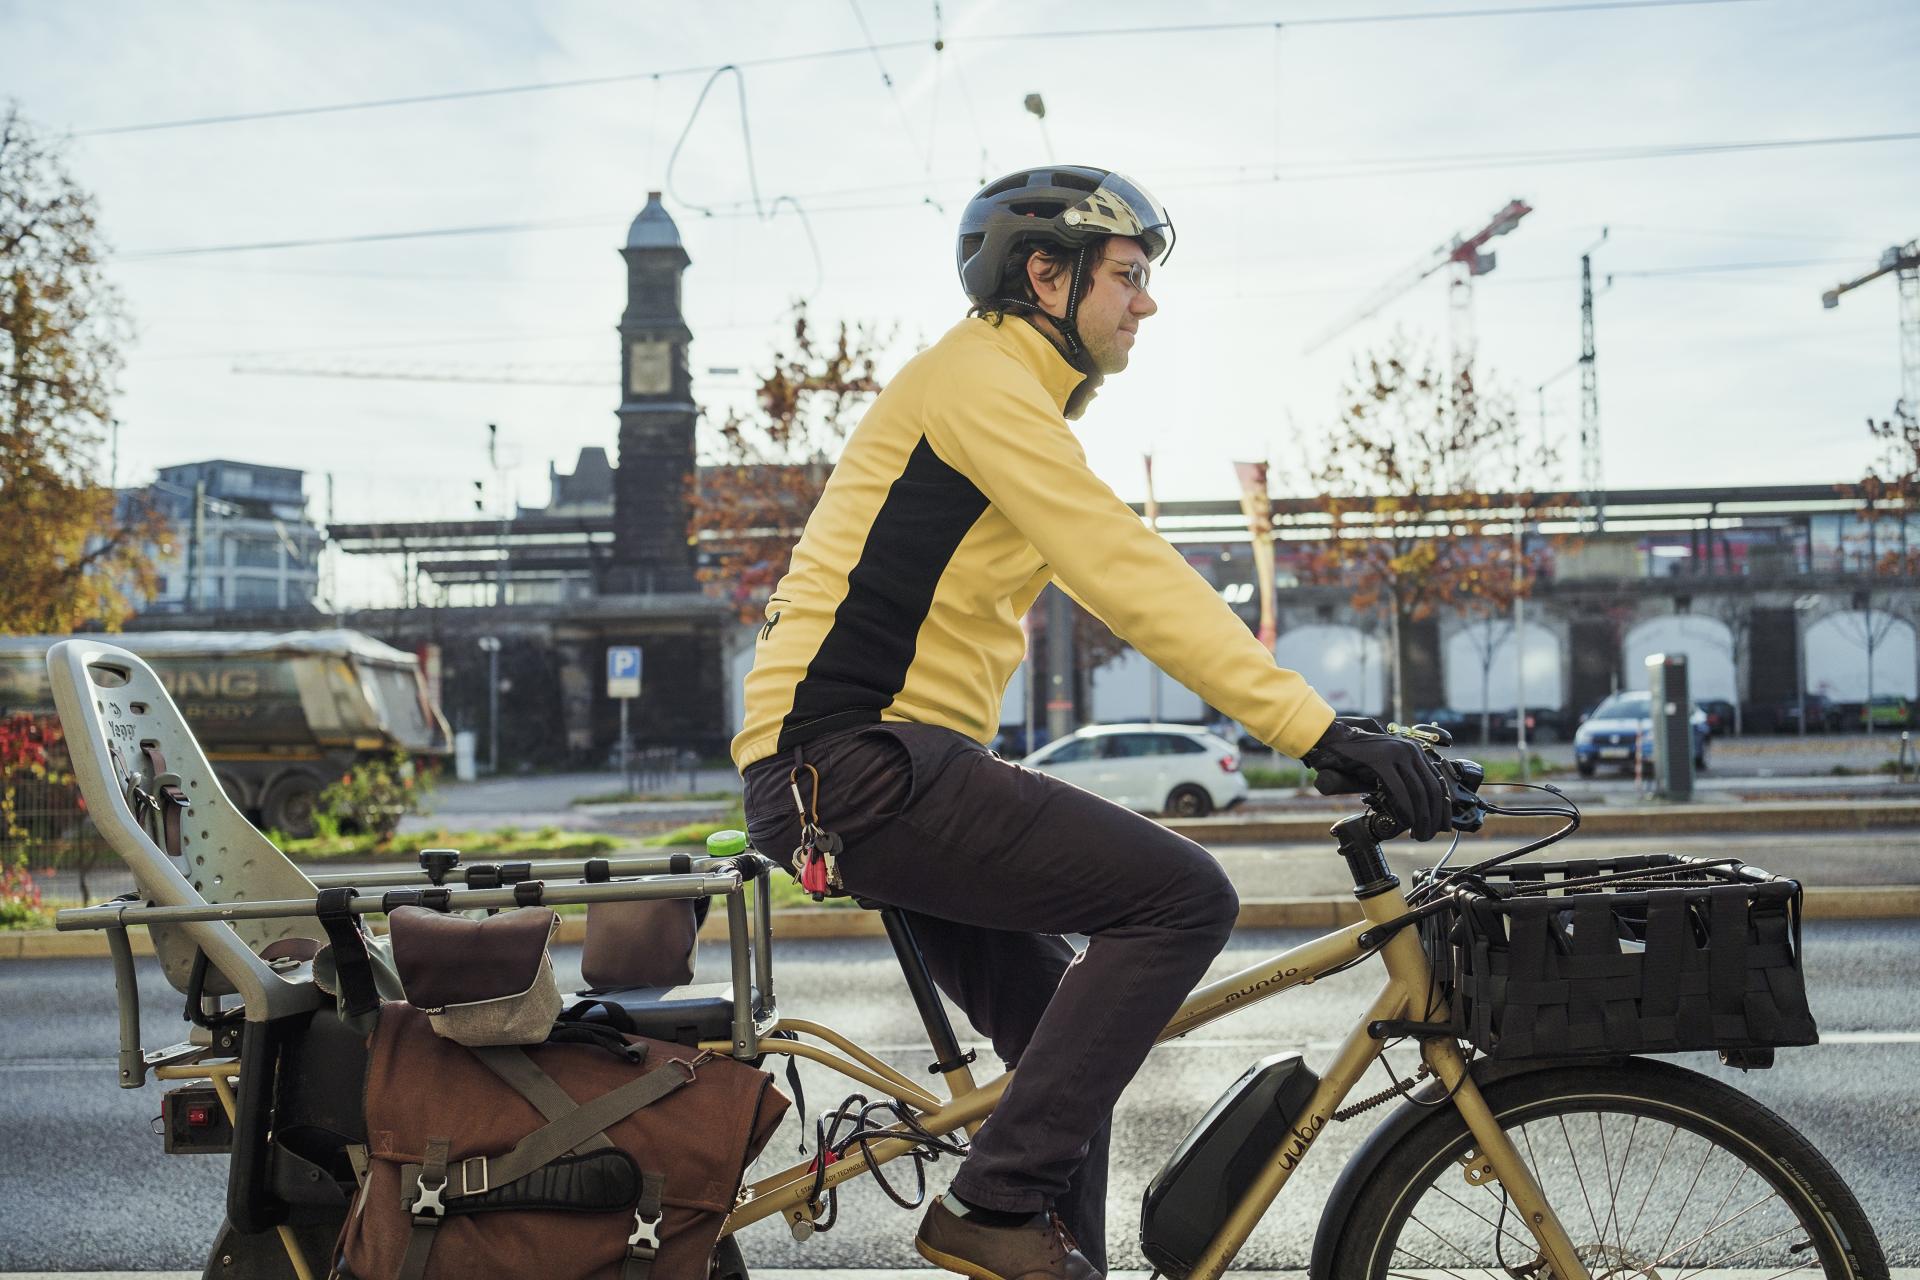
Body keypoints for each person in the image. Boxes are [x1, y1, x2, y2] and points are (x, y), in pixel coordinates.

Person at [733, 165, 1447, 1280]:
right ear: (1045, 274)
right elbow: (1126, 570)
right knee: (1184, 894)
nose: (1146, 302)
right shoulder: (979, 383)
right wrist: (1319, 728)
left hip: (872, 764)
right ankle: (994, 1206)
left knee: (1061, 1059)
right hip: (854, 764)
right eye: (1129, 276)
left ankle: (1038, 1237)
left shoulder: (1005, 393)